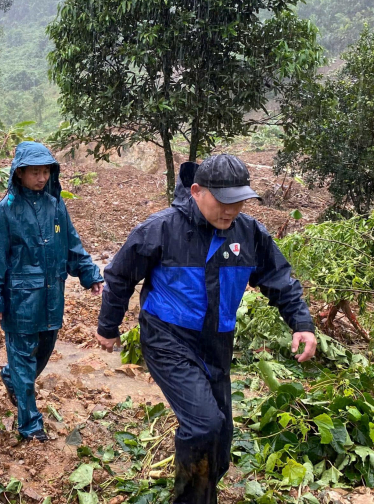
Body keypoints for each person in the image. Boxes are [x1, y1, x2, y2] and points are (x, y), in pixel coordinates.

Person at [95, 154, 317, 503]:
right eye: (224, 201)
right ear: (197, 191)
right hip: (167, 338)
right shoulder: (162, 229)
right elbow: (120, 275)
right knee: (203, 425)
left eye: (240, 201)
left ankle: (203, 491)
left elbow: (278, 278)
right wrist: (109, 326)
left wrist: (301, 323)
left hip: (217, 343)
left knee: (221, 437)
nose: (232, 210)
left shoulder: (248, 233)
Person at [0, 141, 104, 442]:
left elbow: (72, 245)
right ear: (19, 174)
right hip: (19, 299)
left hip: (51, 298)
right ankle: (30, 426)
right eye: (35, 172)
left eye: (46, 171)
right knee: (23, 361)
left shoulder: (56, 205)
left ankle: (11, 378)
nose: (41, 178)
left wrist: (89, 273)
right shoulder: (5, 211)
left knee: (42, 353)